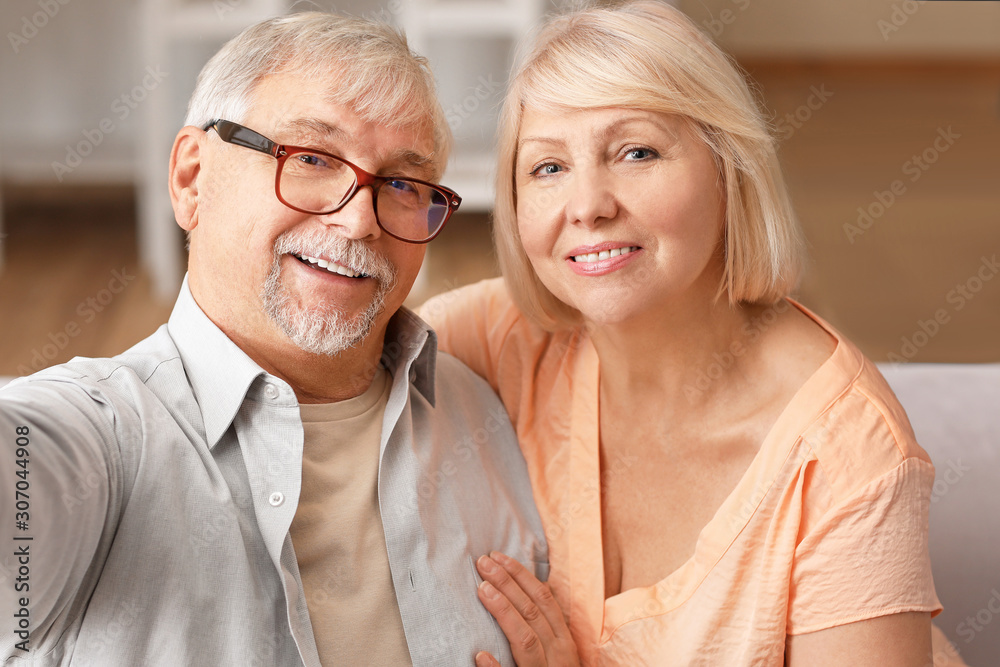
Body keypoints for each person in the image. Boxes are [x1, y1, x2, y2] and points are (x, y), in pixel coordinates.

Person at [0, 12, 547, 666]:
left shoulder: (490, 406)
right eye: (312, 157)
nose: (356, 221)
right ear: (191, 178)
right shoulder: (95, 435)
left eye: (401, 183)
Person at [419, 2, 954, 665]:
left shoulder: (845, 456)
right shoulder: (504, 336)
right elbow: (314, 358)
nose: (588, 205)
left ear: (730, 170)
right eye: (547, 168)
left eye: (636, 151)